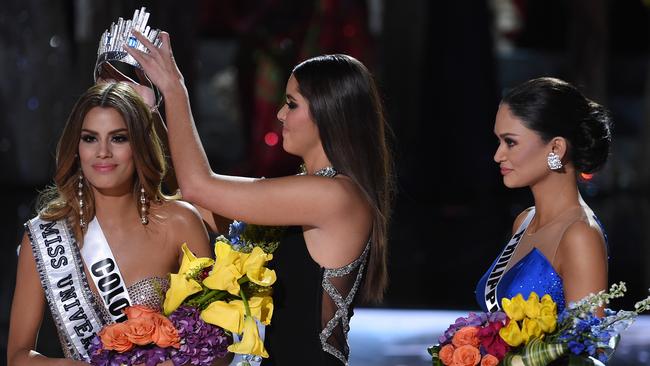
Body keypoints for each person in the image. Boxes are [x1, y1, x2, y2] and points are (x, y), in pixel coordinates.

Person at [125, 32, 394, 366]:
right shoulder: (307, 191)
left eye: (292, 104)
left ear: (328, 113)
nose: (280, 114)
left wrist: (174, 88)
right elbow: (200, 201)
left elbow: (198, 187)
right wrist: (152, 115)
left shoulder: (335, 195)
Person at [7, 82, 212, 365]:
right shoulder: (46, 236)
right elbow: (18, 356)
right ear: (76, 147)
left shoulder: (180, 222)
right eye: (90, 138)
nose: (103, 151)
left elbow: (217, 342)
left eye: (118, 138)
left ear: (139, 145)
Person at [475, 77, 612, 314]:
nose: (498, 155)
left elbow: (592, 348)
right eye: (498, 141)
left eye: (510, 142)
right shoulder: (524, 220)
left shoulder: (580, 236)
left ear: (556, 148)